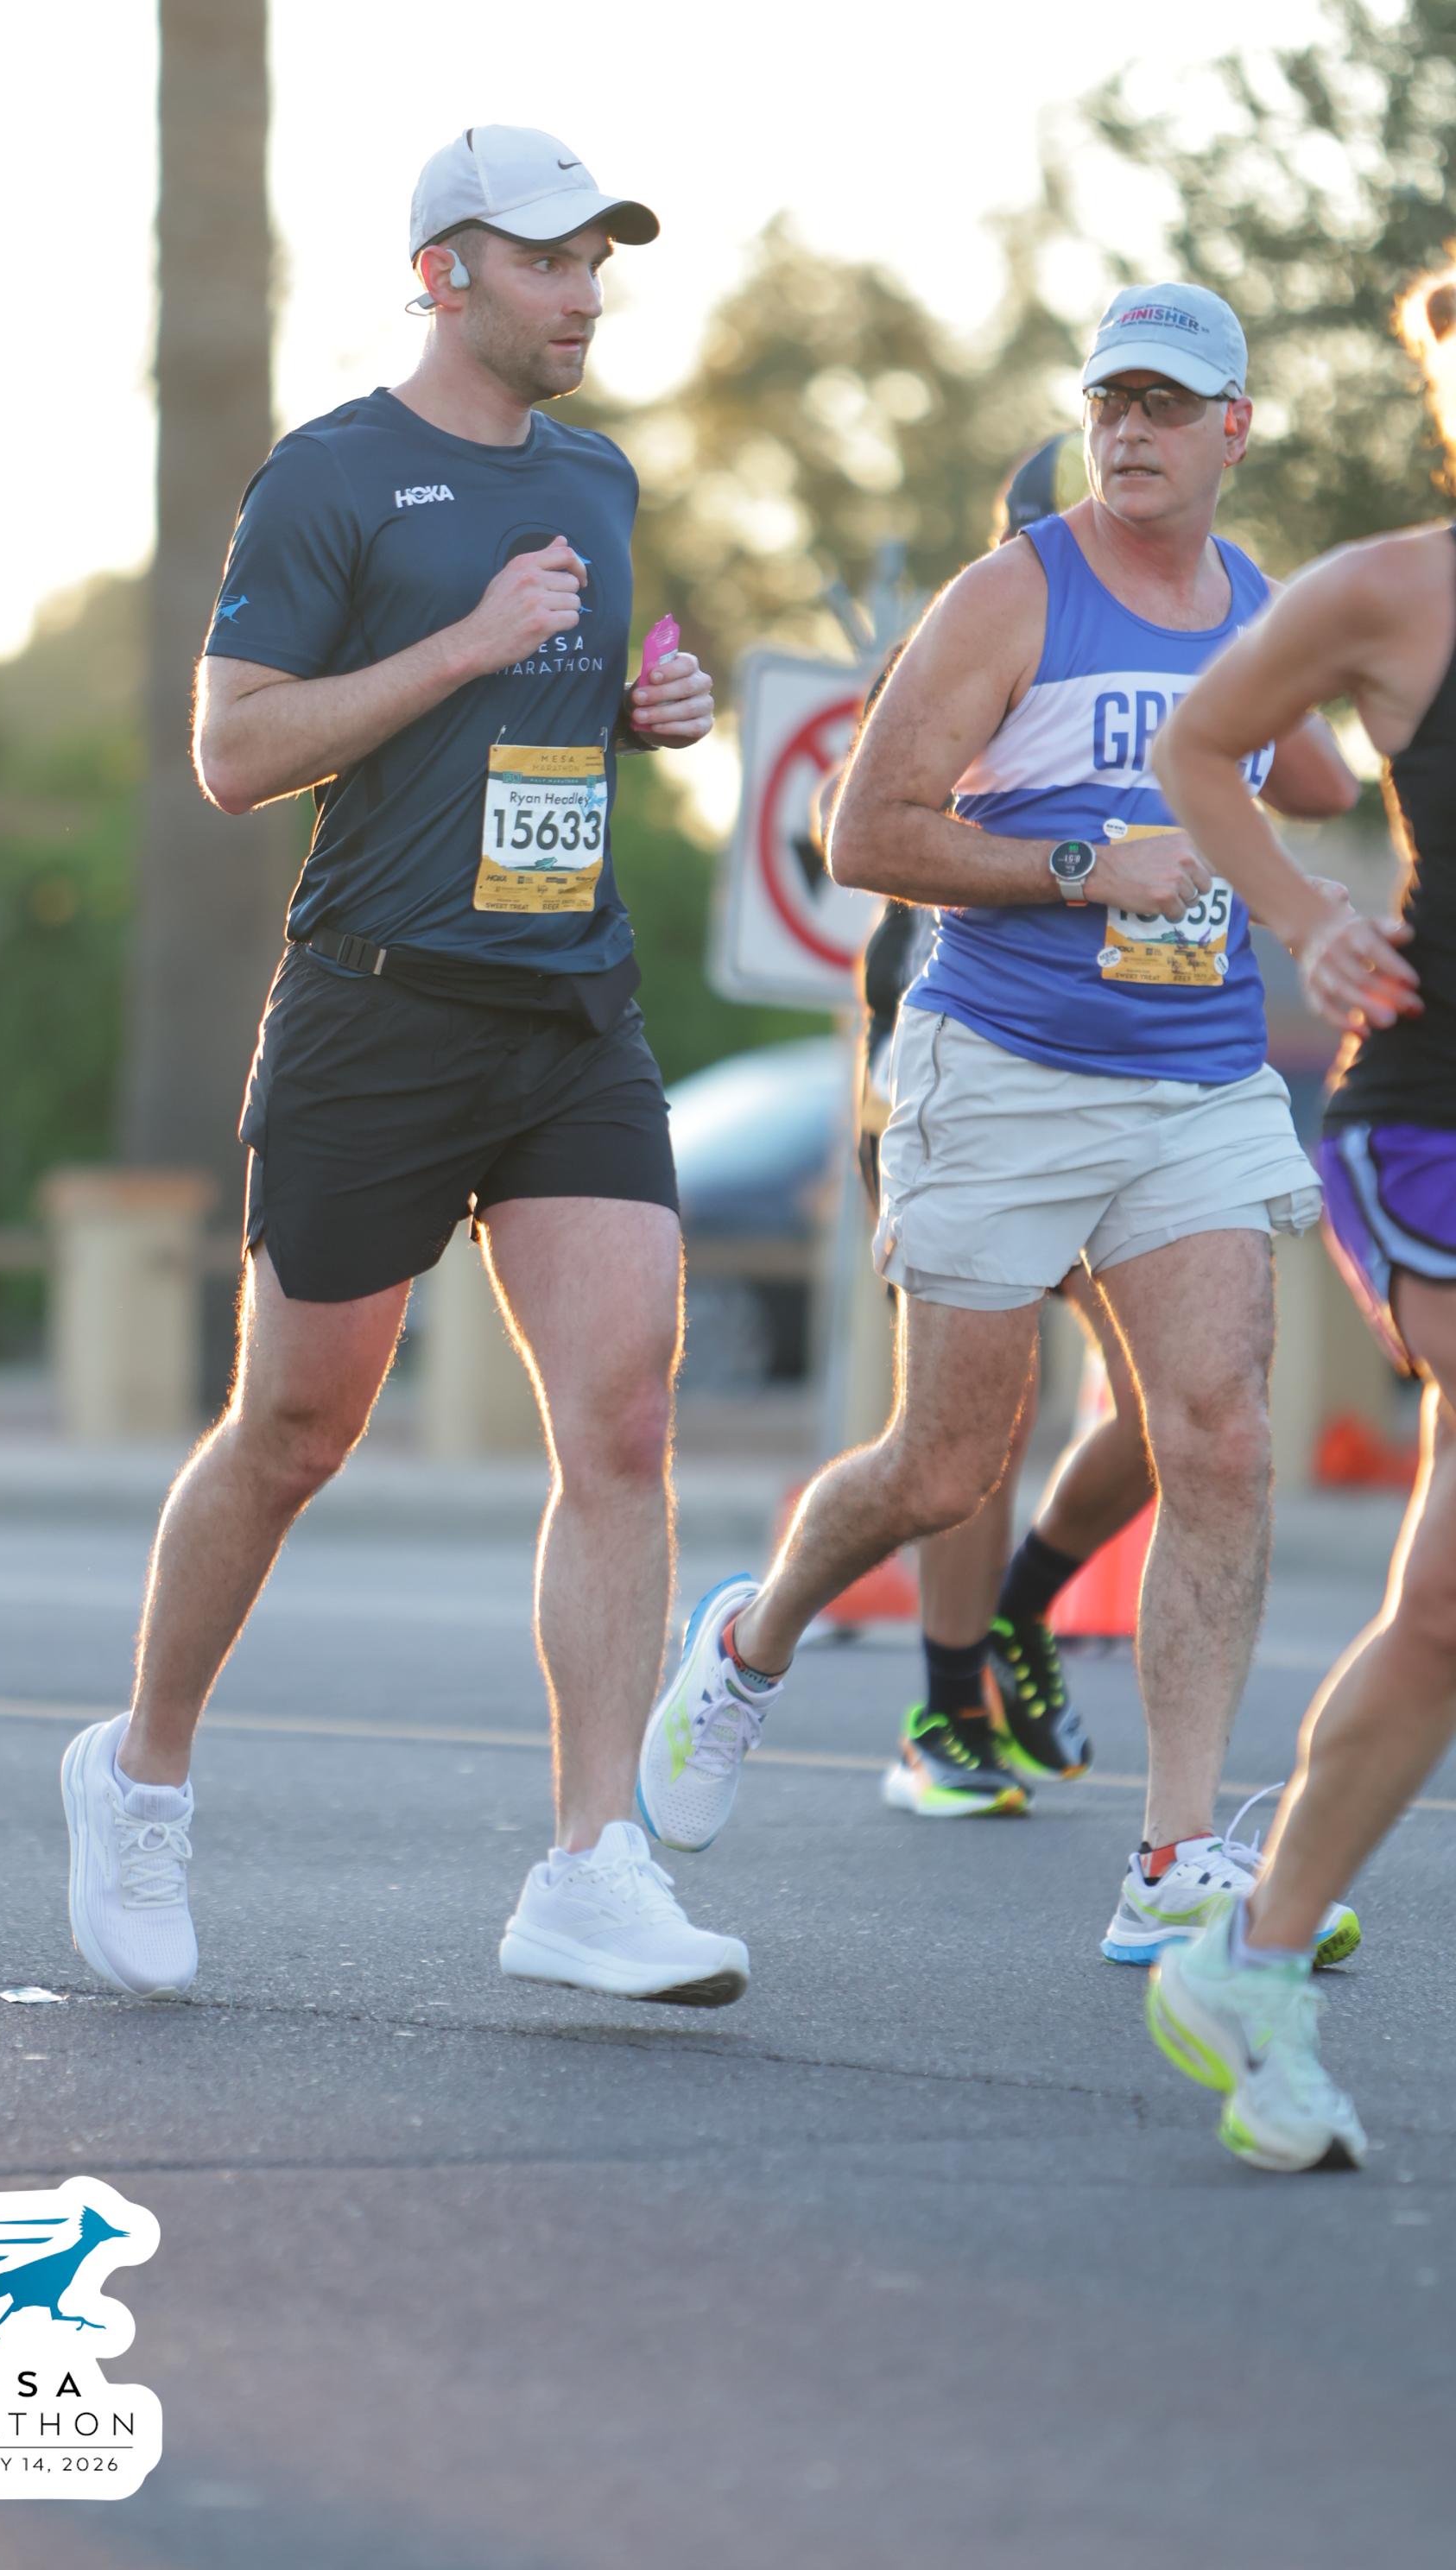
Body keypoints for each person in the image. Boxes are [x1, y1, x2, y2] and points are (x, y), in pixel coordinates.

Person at [60, 125, 748, 2010]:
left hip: (571, 1008)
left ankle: (589, 1868)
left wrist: (641, 713)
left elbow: (543, 712)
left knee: (622, 1424)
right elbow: (233, 753)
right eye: (546, 262)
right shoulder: (330, 475)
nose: (583, 295)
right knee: (295, 1430)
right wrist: (461, 647)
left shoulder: (598, 477)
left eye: (596, 261)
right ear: (446, 273)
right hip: (377, 1011)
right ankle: (139, 1775)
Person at [637, 282, 1363, 1976]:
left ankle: (1173, 1859)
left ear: (1234, 429)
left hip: (1193, 1081)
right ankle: (747, 1643)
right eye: (1109, 400)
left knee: (1222, 1437)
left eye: (1165, 405)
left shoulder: (1258, 607)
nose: (1129, 430)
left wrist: (1312, 782)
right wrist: (1082, 861)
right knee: (944, 1465)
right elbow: (860, 832)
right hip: (1006, 1065)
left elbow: (1313, 773)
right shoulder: (1011, 594)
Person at [1142, 259, 1456, 2172]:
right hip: (1431, 1125)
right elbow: (1198, 745)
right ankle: (1246, 1955)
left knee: (1441, 1613)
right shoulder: (1389, 593)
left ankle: (1249, 1964)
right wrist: (1302, 917)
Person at [826, 437, 1155, 1820]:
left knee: (1183, 1402)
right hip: (957, 1073)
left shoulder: (1190, 643)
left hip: (1130, 1079)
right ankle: (948, 1711)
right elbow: (860, 829)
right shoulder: (972, 640)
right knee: (976, 1424)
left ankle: (1026, 1606)